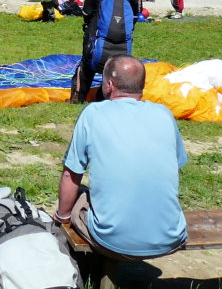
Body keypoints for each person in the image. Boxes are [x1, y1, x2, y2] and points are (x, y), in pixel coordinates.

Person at [54, 55, 187, 259]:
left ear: (109, 85)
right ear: (142, 85)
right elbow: (175, 163)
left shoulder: (93, 113)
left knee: (79, 196)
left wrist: (62, 217)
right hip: (171, 236)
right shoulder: (164, 113)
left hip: (111, 240)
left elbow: (71, 174)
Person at [69, 0, 139, 104]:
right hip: (122, 41)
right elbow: (135, 15)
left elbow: (87, 11)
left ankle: (78, 97)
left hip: (97, 35)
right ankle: (107, 97)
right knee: (115, 69)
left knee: (86, 65)